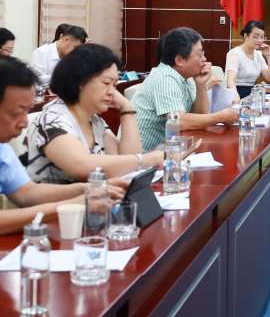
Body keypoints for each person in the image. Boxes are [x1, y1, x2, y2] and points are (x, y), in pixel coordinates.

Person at [0, 57, 124, 234]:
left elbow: (26, 193)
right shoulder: (54, 118)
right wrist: (72, 205)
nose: (25, 122)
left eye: (27, 111)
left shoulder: (3, 149)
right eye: (16, 112)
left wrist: (87, 189)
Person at [24, 44, 164, 183]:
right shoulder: (52, 119)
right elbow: (82, 166)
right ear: (80, 81)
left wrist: (126, 108)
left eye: (114, 85)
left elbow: (127, 160)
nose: (112, 92)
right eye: (106, 83)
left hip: (96, 195)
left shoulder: (94, 120)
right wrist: (147, 159)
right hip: (59, 197)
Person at [134, 27, 238, 151]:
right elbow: (179, 122)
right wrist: (221, 117)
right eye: (199, 55)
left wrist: (201, 86)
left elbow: (199, 117)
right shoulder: (165, 78)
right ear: (180, 60)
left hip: (170, 150)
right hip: (144, 157)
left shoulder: (185, 76)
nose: (204, 59)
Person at [225, 20, 270, 101]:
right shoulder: (235, 53)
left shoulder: (258, 55)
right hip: (236, 94)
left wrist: (269, 56)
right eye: (256, 37)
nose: (259, 40)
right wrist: (237, 101)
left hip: (252, 95)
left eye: (262, 37)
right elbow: (230, 81)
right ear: (246, 35)